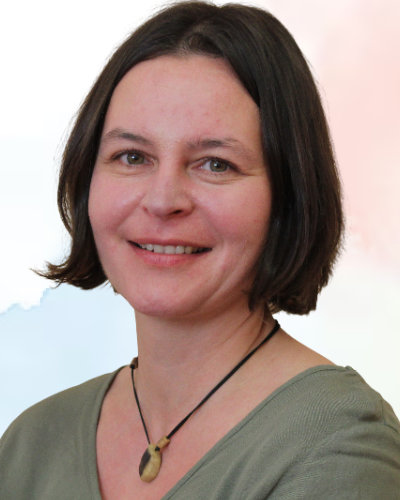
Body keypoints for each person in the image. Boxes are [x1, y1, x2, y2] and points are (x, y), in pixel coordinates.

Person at [1, 2, 399, 498]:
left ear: (289, 195)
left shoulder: (336, 446)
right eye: (132, 156)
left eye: (215, 164)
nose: (163, 200)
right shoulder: (30, 444)